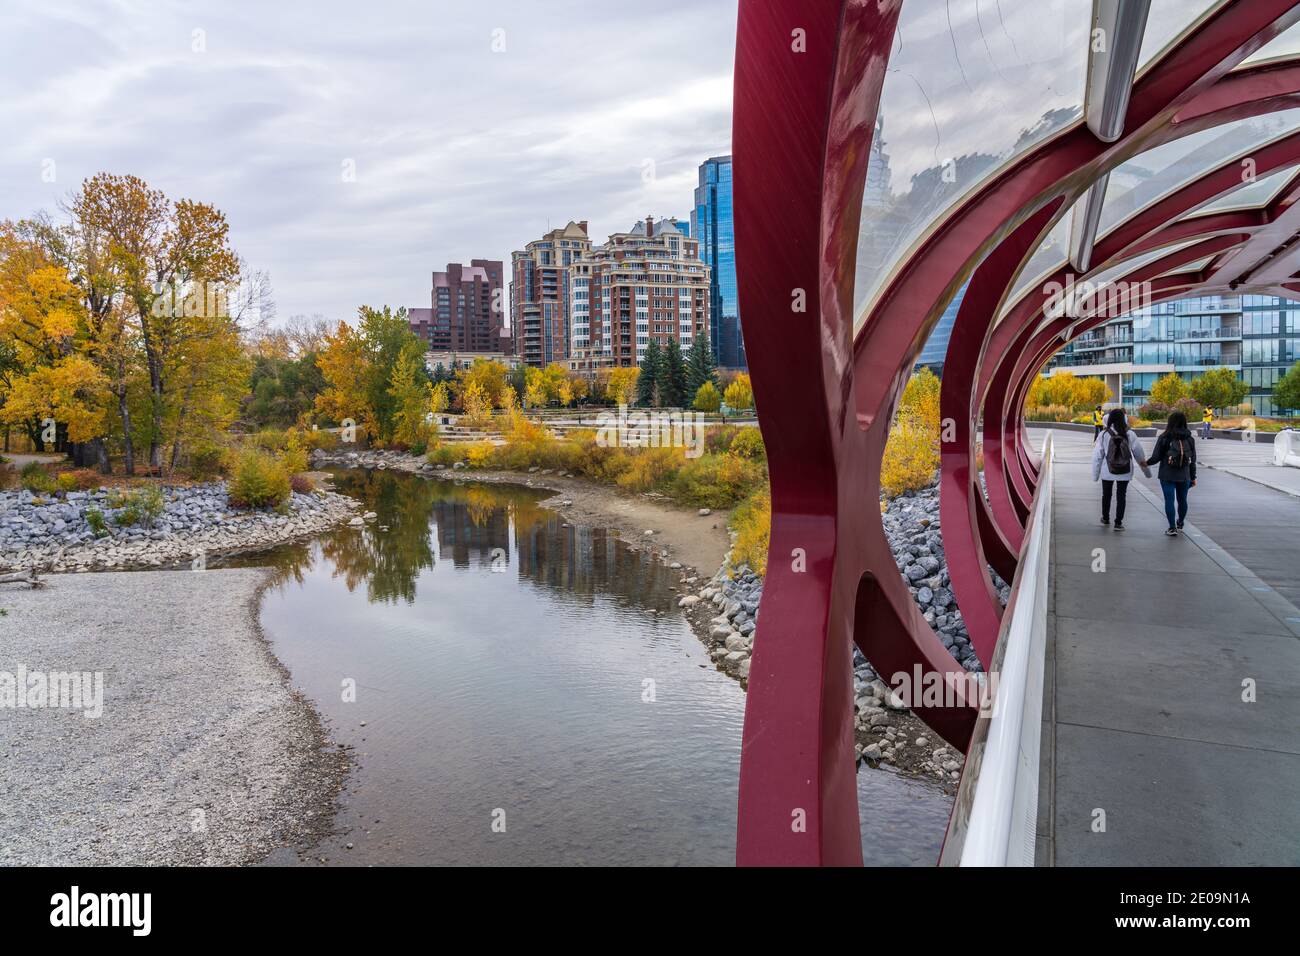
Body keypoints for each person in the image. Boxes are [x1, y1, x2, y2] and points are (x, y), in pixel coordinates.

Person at [1091, 407, 1150, 531]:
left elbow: (1097, 456)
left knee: (1106, 494)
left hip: (1108, 470)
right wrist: (1147, 472)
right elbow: (1139, 454)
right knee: (1121, 495)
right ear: (1124, 419)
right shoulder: (1130, 434)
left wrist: (1095, 475)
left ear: (1110, 419)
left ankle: (1105, 518)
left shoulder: (1103, 434)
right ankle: (1118, 523)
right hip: (1125, 470)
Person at [1147, 411, 1198, 536]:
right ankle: (1180, 523)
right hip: (1184, 474)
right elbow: (1193, 460)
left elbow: (1156, 457)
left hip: (1167, 474)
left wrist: (1145, 463)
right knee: (1183, 500)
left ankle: (1172, 527)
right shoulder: (1190, 439)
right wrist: (1193, 476)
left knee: (1169, 500)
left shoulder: (1164, 437)